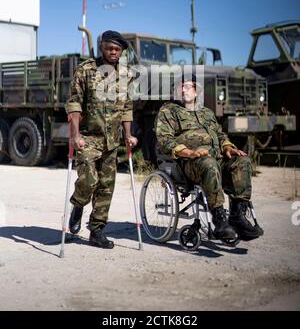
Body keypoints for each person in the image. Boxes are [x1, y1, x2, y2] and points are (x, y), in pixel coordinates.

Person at [155, 76, 263, 241]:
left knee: (243, 162)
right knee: (209, 164)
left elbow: (220, 135)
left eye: (188, 86)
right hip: (190, 163)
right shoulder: (168, 111)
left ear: (196, 91)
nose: (184, 89)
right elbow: (164, 140)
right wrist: (188, 152)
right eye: (180, 86)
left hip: (217, 159)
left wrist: (228, 147)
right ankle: (219, 219)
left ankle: (237, 215)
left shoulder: (206, 112)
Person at [65, 30, 138, 249]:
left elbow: (126, 108)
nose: (113, 52)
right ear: (102, 48)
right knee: (88, 180)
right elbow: (74, 104)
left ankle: (97, 231)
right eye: (109, 48)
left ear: (122, 51)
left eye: (117, 49)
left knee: (106, 187)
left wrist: (128, 135)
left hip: (112, 141)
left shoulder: (126, 75)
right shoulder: (85, 70)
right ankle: (78, 205)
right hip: (88, 137)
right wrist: (75, 135)